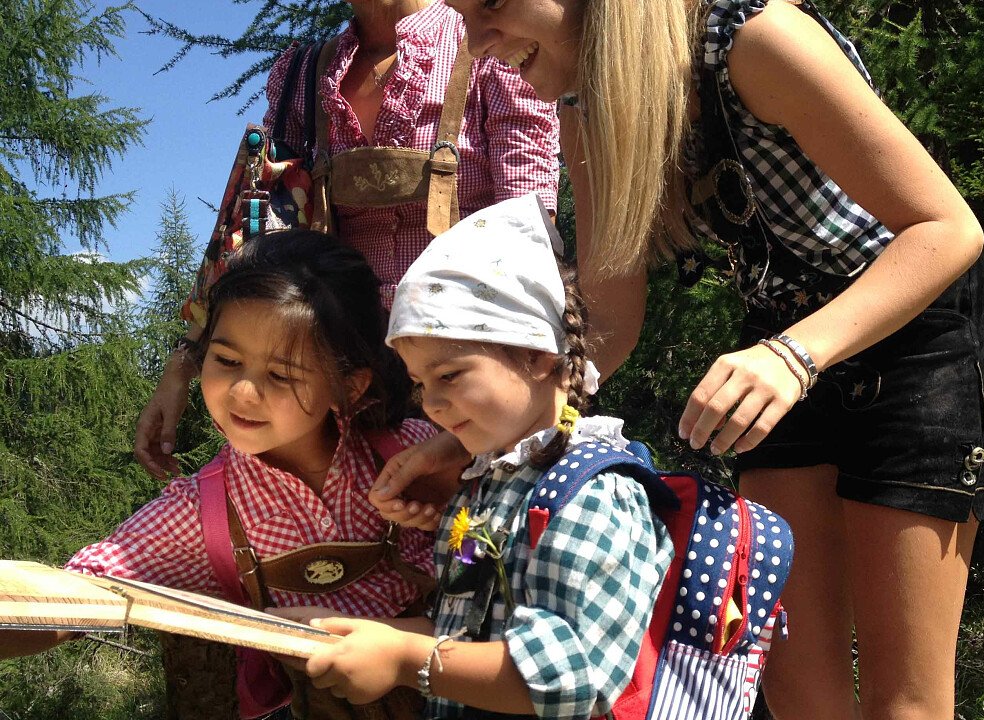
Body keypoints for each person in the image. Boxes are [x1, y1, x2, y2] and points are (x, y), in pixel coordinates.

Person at [379, 0, 984, 717]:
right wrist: (479, 439)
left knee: (906, 705)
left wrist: (795, 357)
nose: (479, 41)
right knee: (801, 697)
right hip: (783, 345)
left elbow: (947, 229)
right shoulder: (586, 106)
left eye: (490, 4)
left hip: (909, 338)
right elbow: (608, 323)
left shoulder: (756, 41)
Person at [1, 232, 439, 718]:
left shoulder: (423, 453)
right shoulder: (201, 513)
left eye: (282, 375)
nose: (243, 393)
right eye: (227, 361)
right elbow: (85, 591)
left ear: (350, 387)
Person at [277, 194, 674, 719]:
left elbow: (573, 678)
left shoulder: (594, 491)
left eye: (450, 375)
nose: (431, 404)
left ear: (536, 355)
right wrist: (365, 636)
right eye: (420, 383)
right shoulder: (489, 485)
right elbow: (463, 637)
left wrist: (402, 659)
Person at [133, 0, 561, 482]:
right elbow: (259, 237)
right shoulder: (304, 73)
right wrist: (183, 366)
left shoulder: (490, 44)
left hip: (470, 389)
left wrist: (495, 420)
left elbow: (532, 237)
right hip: (342, 389)